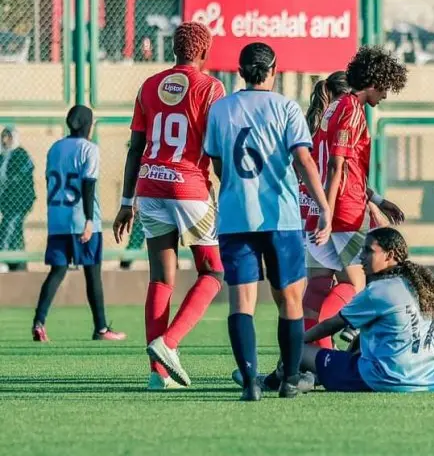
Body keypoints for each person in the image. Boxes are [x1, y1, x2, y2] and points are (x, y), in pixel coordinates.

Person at [204, 43, 331, 401]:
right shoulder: (286, 107)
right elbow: (303, 160)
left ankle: (249, 382)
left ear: (240, 71)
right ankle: (290, 379)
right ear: (274, 70)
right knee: (290, 300)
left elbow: (217, 165)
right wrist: (324, 207)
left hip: (235, 217)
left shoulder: (221, 109)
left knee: (241, 302)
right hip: (281, 217)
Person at [112, 22, 226, 391]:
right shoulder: (211, 87)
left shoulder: (149, 86)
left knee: (161, 278)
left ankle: (156, 376)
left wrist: (126, 202)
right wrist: (228, 188)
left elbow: (135, 147)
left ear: (172, 50)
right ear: (205, 52)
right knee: (213, 272)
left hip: (149, 186)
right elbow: (216, 145)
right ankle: (169, 342)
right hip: (189, 187)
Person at [303, 46, 408, 352]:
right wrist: (329, 211)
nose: (385, 96)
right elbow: (337, 165)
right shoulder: (351, 109)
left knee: (317, 289)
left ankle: (313, 358)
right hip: (345, 211)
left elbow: (345, 167)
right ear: (374, 83)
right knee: (355, 285)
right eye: (385, 89)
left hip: (328, 206)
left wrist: (377, 198)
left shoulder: (335, 106)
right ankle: (322, 340)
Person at [300, 227, 434, 392]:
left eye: (368, 251)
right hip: (431, 378)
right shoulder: (423, 285)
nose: (361, 256)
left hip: (385, 378)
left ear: (389, 255)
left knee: (297, 351)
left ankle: (283, 378)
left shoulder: (379, 289)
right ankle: (314, 374)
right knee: (361, 341)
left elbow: (331, 325)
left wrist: (297, 341)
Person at [32, 106, 127, 342]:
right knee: (92, 272)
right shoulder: (89, 149)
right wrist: (88, 220)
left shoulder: (55, 148)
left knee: (57, 271)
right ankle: (101, 328)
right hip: (81, 218)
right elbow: (88, 185)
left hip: (57, 218)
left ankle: (39, 321)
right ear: (87, 125)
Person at [0, 126, 35, 271]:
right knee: (15, 231)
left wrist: (8, 183)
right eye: (3, 136)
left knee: (8, 226)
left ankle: (4, 257)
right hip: (6, 200)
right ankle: (19, 264)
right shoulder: (2, 155)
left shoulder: (21, 154)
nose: (5, 140)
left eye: (8, 136)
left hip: (19, 200)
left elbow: (19, 176)